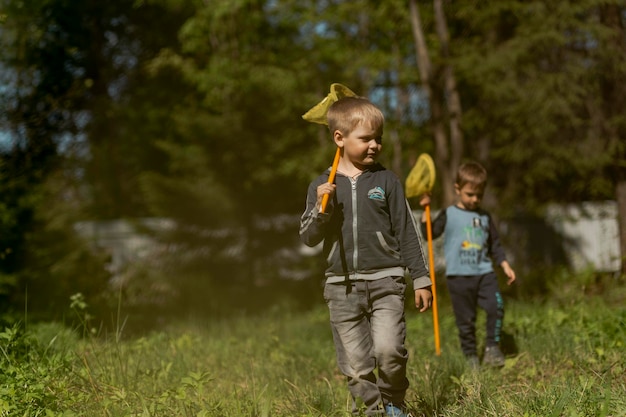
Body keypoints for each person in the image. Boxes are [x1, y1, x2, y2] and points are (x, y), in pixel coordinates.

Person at [299, 95, 432, 417]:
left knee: (390, 351)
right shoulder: (321, 185)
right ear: (339, 138)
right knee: (356, 367)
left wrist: (422, 278)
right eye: (366, 138)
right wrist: (321, 210)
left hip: (386, 280)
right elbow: (308, 238)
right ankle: (373, 411)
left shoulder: (387, 181)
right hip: (341, 288)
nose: (375, 145)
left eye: (379, 138)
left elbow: (407, 231)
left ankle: (394, 401)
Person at [419, 161, 516, 368]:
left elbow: (494, 244)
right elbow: (430, 233)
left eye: (479, 195)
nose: (474, 200)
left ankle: (492, 348)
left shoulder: (485, 216)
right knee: (466, 321)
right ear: (458, 189)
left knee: (496, 306)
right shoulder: (449, 214)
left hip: (484, 272)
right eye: (470, 194)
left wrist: (505, 264)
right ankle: (471, 356)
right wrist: (425, 211)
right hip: (458, 276)